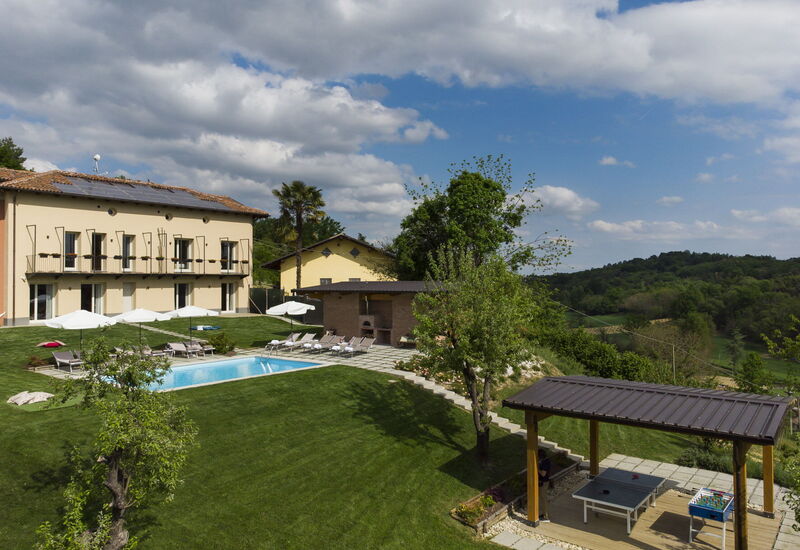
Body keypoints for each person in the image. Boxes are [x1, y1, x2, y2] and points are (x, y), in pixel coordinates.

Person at [538, 449, 552, 521]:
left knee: (543, 499)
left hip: (544, 482)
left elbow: (543, 474)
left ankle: (545, 516)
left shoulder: (545, 462)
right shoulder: (544, 461)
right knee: (541, 498)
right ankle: (543, 513)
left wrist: (537, 469)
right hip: (541, 482)